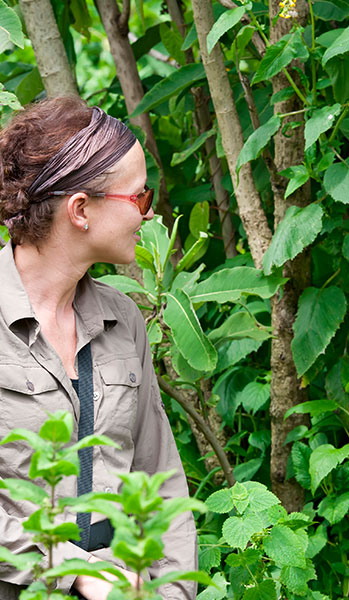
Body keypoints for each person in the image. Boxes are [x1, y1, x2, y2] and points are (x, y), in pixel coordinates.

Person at [0, 97, 197, 599]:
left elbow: (162, 482)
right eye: (139, 200)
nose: (149, 217)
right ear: (81, 211)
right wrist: (66, 564)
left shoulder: (124, 320)